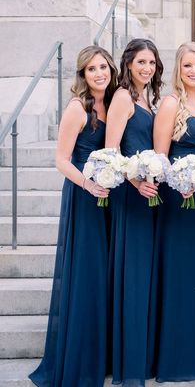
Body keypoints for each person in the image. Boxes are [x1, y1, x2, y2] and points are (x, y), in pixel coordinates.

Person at [29, 45, 118, 387]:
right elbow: (61, 160)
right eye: (92, 69)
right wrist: (89, 184)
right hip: (85, 197)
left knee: (106, 274)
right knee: (87, 274)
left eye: (103, 68)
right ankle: (80, 358)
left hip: (110, 196)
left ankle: (104, 352)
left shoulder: (112, 105)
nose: (99, 74)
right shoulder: (78, 109)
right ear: (82, 75)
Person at [152, 42, 195, 382]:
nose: (193, 71)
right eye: (186, 66)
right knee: (185, 274)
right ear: (178, 71)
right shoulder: (171, 104)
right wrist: (180, 183)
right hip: (183, 199)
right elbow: (160, 156)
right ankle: (180, 358)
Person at [105, 38, 163, 386]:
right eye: (141, 62)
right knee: (135, 276)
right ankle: (131, 365)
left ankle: (143, 356)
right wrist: (135, 180)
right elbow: (111, 150)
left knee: (146, 275)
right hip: (132, 195)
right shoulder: (123, 97)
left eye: (152, 63)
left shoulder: (147, 98)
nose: (147, 68)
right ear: (128, 64)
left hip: (150, 194)